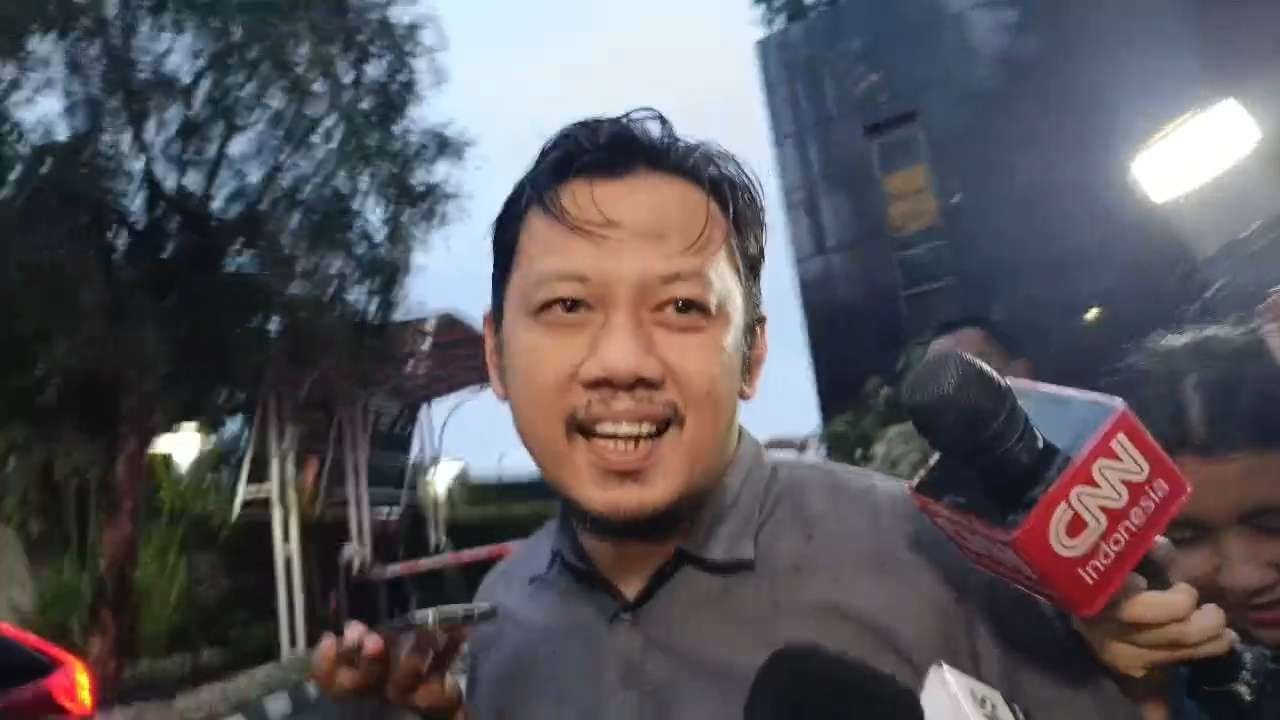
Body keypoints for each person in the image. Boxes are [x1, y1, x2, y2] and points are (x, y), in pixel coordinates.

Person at [311, 109, 1143, 719]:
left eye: (681, 307)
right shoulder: (501, 615)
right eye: (567, 306)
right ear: (497, 356)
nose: (622, 362)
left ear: (751, 356)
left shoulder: (942, 562)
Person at [1077, 320, 1280, 717]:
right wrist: (1143, 699)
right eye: (1184, 536)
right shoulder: (1146, 676)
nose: (1243, 577)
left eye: (1273, 525)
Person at [867, 317, 1033, 480]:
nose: (956, 394)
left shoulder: (1040, 431)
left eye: (978, 369)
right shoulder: (903, 450)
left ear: (1022, 369)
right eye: (937, 381)